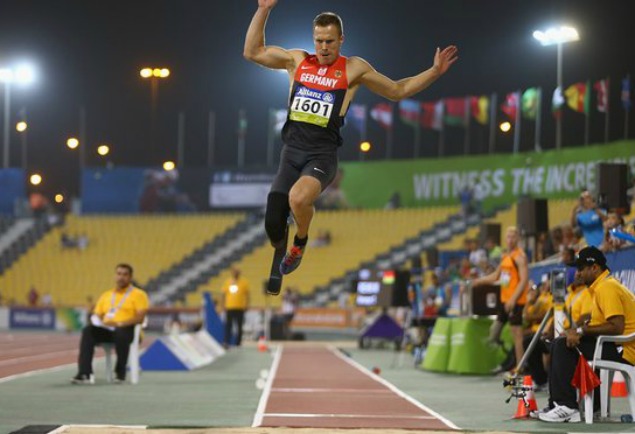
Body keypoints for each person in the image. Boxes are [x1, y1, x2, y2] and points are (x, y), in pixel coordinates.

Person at [244, 0, 458, 277]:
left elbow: (397, 90)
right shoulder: (296, 61)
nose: (323, 47)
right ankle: (282, 230)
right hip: (291, 153)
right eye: (319, 41)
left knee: (298, 199)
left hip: (321, 156)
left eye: (330, 41)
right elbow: (253, 52)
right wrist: (263, 10)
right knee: (272, 225)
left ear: (341, 40)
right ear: (313, 39)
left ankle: (300, 242)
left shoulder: (354, 69)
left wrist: (433, 72)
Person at [538, 246, 635, 423]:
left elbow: (617, 326)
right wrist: (580, 329)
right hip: (616, 346)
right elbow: (605, 323)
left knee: (562, 345)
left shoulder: (607, 287)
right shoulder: (602, 286)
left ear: (595, 268)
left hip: (624, 350)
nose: (578, 273)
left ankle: (567, 406)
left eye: (581, 269)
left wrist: (581, 331)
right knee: (560, 343)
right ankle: (559, 405)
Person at [72, 264, 149, 384]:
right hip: (108, 329)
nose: (121, 277)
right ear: (115, 276)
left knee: (121, 332)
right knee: (88, 331)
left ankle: (120, 372)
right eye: (118, 274)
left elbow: (140, 318)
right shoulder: (106, 295)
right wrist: (100, 321)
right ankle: (84, 374)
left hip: (129, 331)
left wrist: (120, 323)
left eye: (125, 274)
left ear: (130, 277)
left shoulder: (139, 294)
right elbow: (98, 314)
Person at [470, 226, 529, 373]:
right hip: (504, 301)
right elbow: (496, 276)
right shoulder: (505, 256)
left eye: (513, 236)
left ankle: (520, 367)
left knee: (517, 335)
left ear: (518, 239)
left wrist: (513, 299)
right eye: (508, 236)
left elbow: (524, 280)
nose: (510, 239)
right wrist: (480, 281)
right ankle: (508, 356)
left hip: (515, 302)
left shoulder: (520, 257)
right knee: (494, 332)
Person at [221, 267, 250, 347]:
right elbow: (223, 294)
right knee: (228, 326)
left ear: (239, 273)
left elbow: (247, 295)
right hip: (229, 307)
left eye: (237, 272)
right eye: (234, 272)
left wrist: (246, 305)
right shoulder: (227, 282)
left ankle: (238, 343)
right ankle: (227, 342)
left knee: (239, 326)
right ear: (232, 272)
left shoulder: (244, 282)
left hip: (240, 308)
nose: (235, 273)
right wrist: (223, 305)